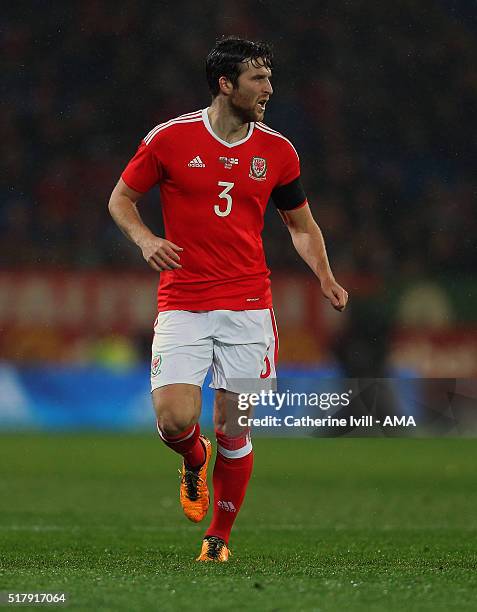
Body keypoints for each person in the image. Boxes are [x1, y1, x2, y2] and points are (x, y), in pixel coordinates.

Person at [108, 36, 348, 562]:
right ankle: (194, 461)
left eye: (269, 77)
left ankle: (218, 540)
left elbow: (300, 225)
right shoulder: (170, 139)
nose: (269, 89)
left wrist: (325, 276)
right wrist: (147, 240)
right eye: (258, 79)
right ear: (225, 83)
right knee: (174, 419)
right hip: (184, 302)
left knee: (234, 427)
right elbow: (121, 198)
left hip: (248, 309)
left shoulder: (279, 152)